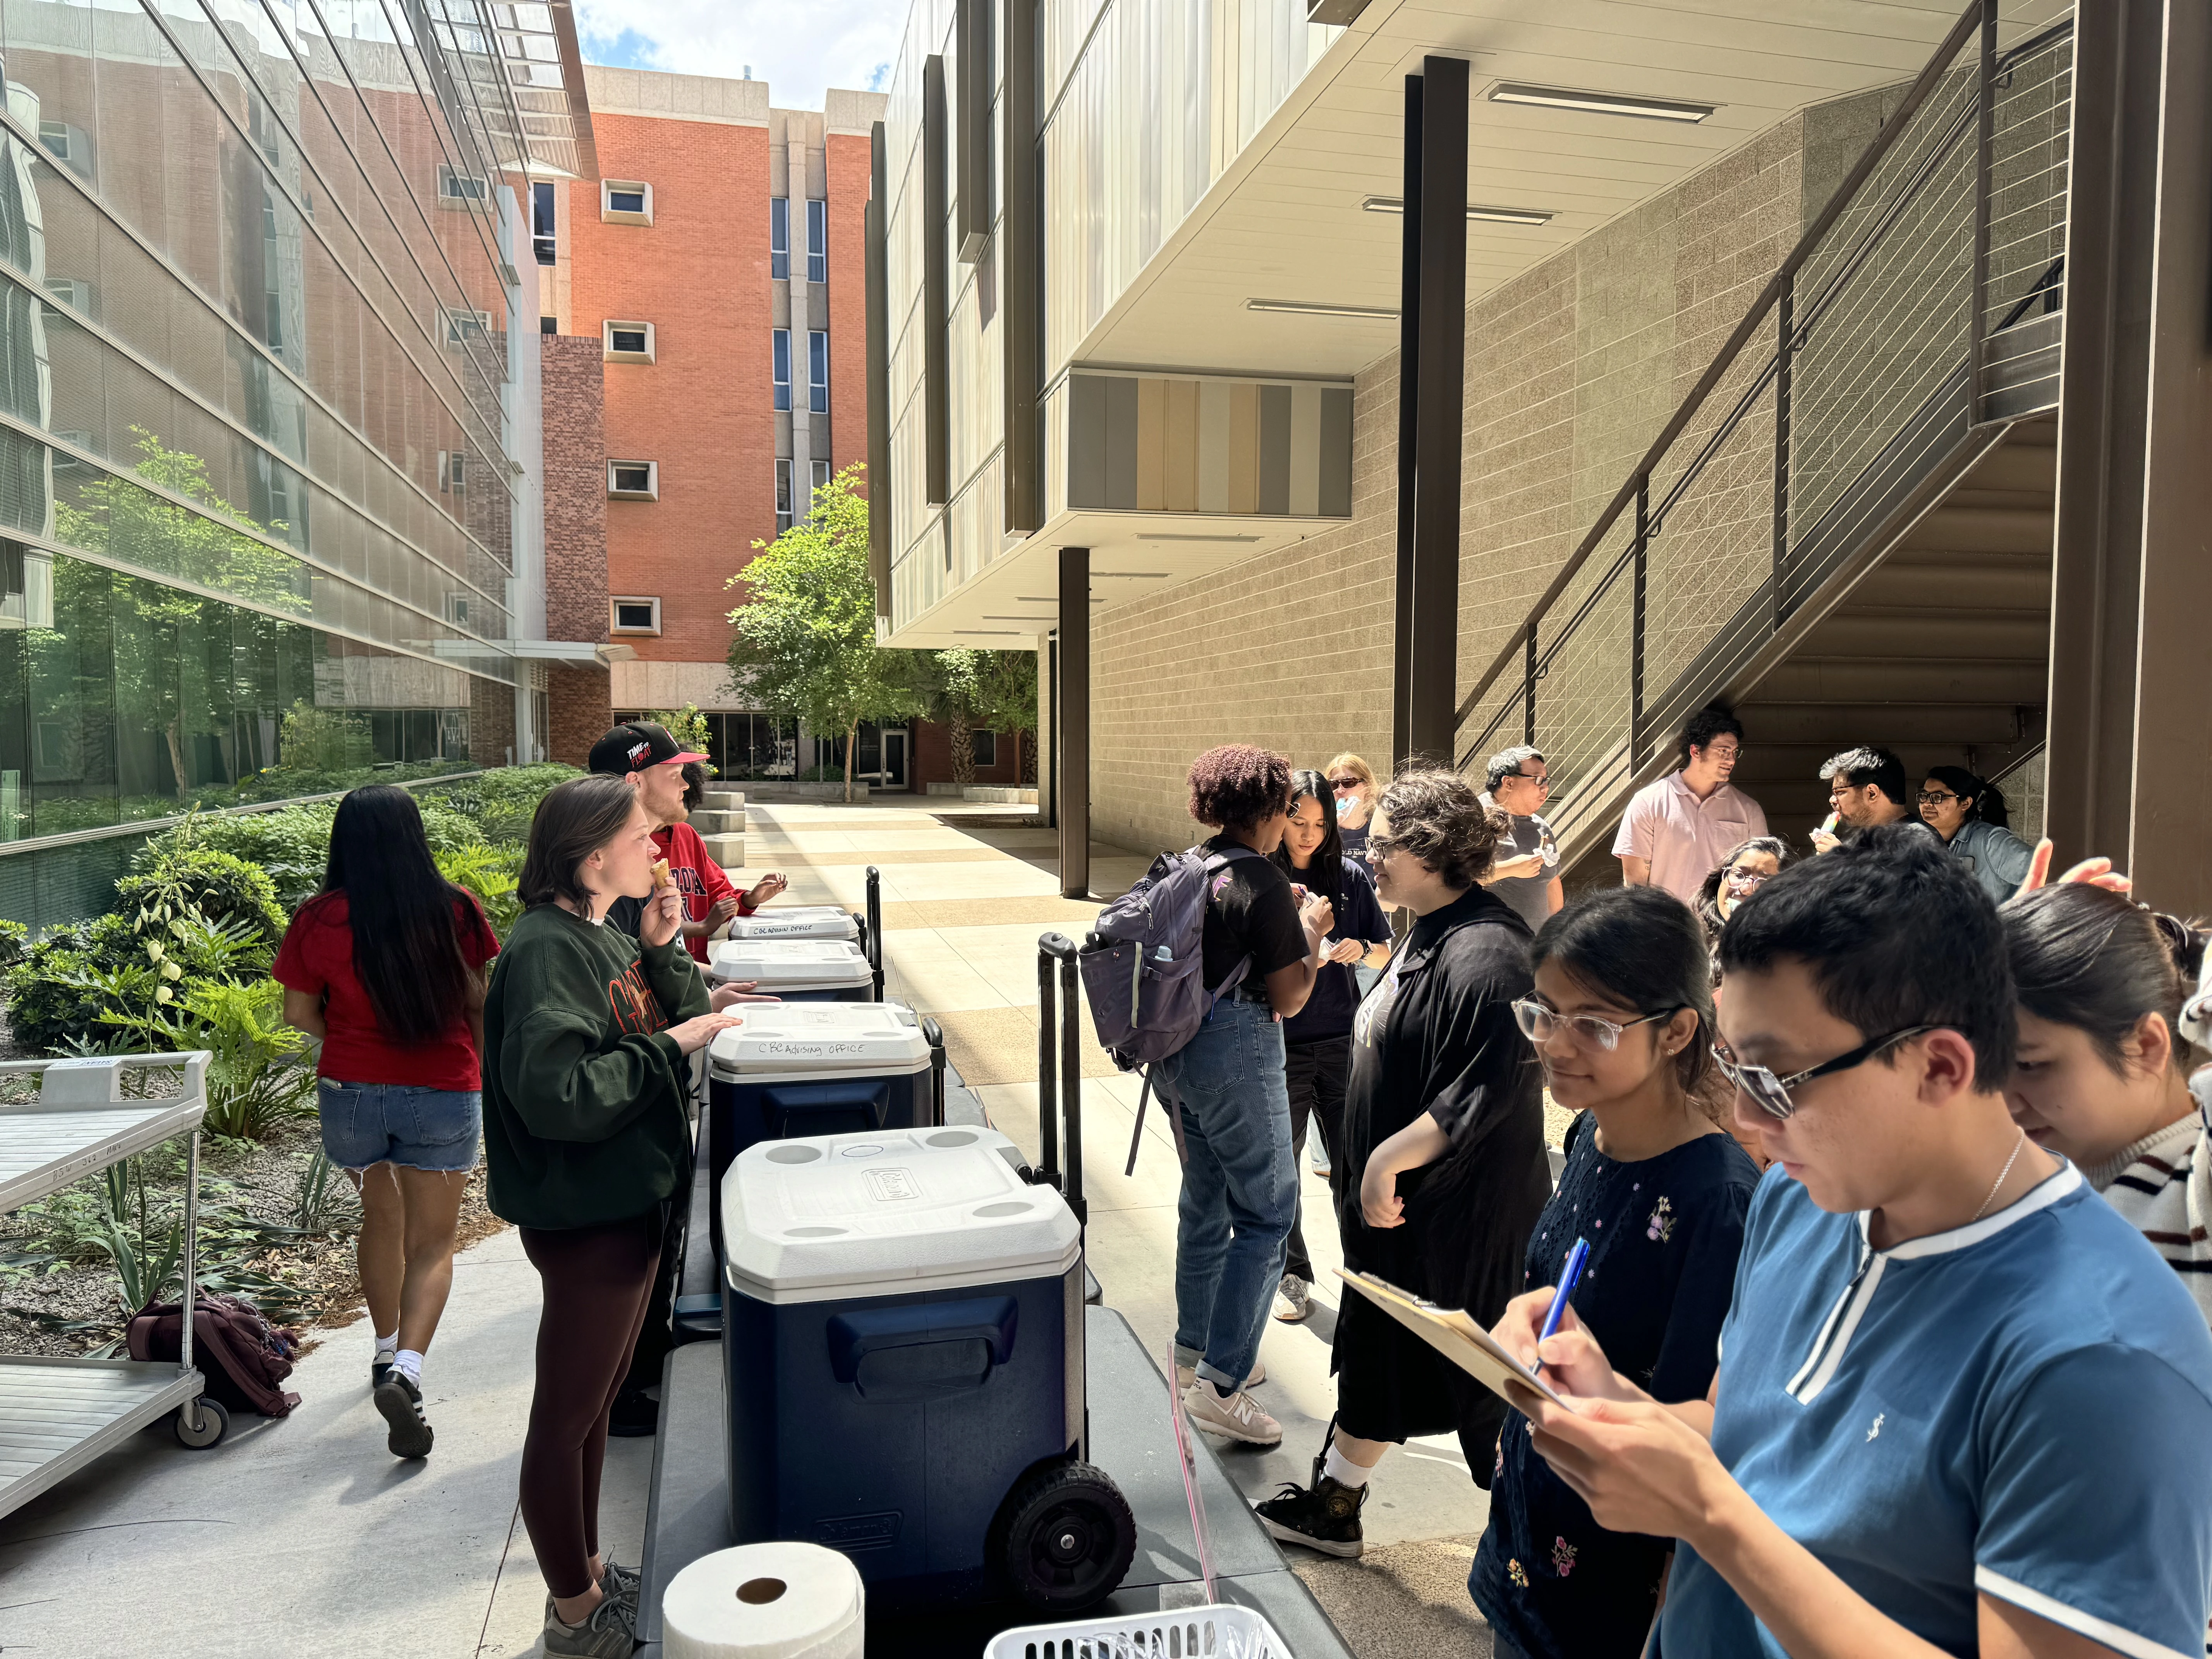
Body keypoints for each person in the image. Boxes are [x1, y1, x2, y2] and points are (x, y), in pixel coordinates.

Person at [1494, 826, 2212, 1659]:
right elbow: (1745, 1431)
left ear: (1940, 1066)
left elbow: (1725, 1502)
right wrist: (1609, 1399)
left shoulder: (2105, 1356)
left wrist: (1712, 1518)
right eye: (1736, 1070)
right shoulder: (1799, 1201)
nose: (1745, 1117)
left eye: (1777, 1080)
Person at [1254, 770, 1548, 1557]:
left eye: (1383, 845)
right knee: (1384, 1353)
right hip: (1402, 1217)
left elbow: (1492, 1082)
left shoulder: (1489, 953)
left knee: (1484, 1385)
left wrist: (1387, 1157)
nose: (1368, 857)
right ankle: (1336, 1503)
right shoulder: (1429, 925)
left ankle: (1534, 1550)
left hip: (1457, 1219)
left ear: (1431, 850)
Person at [482, 775, 744, 1657]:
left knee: (593, 1407)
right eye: (640, 837)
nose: (657, 849)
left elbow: (674, 1014)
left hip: (627, 1200)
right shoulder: (545, 951)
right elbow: (559, 1095)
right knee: (566, 1418)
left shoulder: (600, 933)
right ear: (593, 857)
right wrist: (672, 1044)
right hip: (587, 1214)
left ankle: (590, 1572)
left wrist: (664, 949)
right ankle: (573, 1612)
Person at [1470, 886, 1760, 1658]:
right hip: (1530, 1523)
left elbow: (1700, 1430)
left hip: (1616, 1576)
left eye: (1594, 1024)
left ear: (1677, 1031)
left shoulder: (1717, 1199)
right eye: (1544, 1012)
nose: (1556, 1044)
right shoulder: (1589, 1134)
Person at [275, 785, 501, 1461]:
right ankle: (407, 1370)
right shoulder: (456, 908)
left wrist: (351, 1042)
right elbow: (478, 1003)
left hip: (351, 1091)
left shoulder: (318, 917)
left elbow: (297, 1013)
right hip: (441, 1086)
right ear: (414, 837)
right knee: (433, 1243)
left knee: (380, 1217)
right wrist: (482, 1078)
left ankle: (381, 1350)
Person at [1162, 745, 1334, 1446]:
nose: (1289, 821)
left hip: (1179, 1054)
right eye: (1287, 809)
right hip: (1237, 1052)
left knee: (1205, 1201)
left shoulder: (1191, 864)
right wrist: (1311, 934)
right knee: (1268, 1215)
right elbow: (1290, 997)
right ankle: (1222, 1382)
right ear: (1268, 810)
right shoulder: (1260, 878)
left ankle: (1193, 1351)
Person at [2002, 884, 2211, 1321]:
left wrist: (2196, 948)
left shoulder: (2200, 1184)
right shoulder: (2007, 1178)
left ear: (2147, 1046)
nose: (2002, 1101)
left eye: (2029, 1064)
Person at [1269, 769, 1393, 1324]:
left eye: (1320, 824)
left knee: (1354, 1162)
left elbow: (1384, 951)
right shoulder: (1266, 878)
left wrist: (1358, 948)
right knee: (1284, 1169)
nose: (1309, 834)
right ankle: (1292, 1275)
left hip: (1342, 1039)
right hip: (1282, 1044)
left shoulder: (1347, 875)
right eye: (1299, 821)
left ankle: (1366, 1273)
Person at [589, 721, 787, 960]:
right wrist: (704, 930)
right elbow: (626, 968)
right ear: (635, 782)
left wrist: (747, 900)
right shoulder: (612, 868)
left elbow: (718, 894)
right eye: (674, 775)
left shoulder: (685, 836)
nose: (685, 785)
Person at [1613, 706, 1767, 903]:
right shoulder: (1648, 802)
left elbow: (1761, 874)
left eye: (1735, 752)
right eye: (1723, 751)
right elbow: (1635, 884)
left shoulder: (1748, 810)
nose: (1731, 760)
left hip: (1725, 920)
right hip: (1667, 920)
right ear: (1696, 751)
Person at [1918, 765, 2034, 904]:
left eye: (1938, 797)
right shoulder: (1919, 842)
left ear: (1965, 804)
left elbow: (2043, 874)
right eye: (1924, 796)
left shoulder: (1990, 842)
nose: (1927, 803)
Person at [1480, 745, 1563, 930]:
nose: (1545, 788)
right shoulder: (1475, 818)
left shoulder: (1541, 827)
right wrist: (1510, 869)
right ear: (1509, 783)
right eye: (1538, 780)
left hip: (1536, 942)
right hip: (1489, 940)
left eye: (1546, 780)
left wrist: (1557, 934)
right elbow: (1454, 879)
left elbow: (1551, 882)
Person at [1810, 745, 1938, 853]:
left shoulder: (1918, 840)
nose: (1833, 800)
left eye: (1840, 792)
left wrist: (1841, 861)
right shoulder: (1857, 838)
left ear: (1872, 793)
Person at [1693, 836, 1788, 955]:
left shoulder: (1789, 956)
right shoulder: (1689, 942)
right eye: (1738, 875)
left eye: (1763, 883)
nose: (1745, 889)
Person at [1325, 752, 1379, 860]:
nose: (1340, 790)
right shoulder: (1322, 830)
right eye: (1334, 784)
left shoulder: (1379, 828)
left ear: (1367, 786)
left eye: (1348, 783)